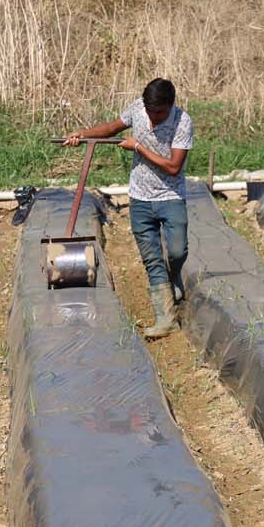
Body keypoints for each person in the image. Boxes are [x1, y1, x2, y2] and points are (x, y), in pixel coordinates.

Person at [64, 78, 194, 338]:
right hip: (140, 198)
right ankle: (165, 318)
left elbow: (173, 166)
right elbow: (113, 127)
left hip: (170, 196)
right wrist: (83, 134)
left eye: (159, 113)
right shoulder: (138, 108)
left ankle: (174, 276)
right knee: (152, 260)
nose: (153, 118)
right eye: (150, 112)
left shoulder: (182, 121)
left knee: (178, 250)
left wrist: (138, 147)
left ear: (170, 106)